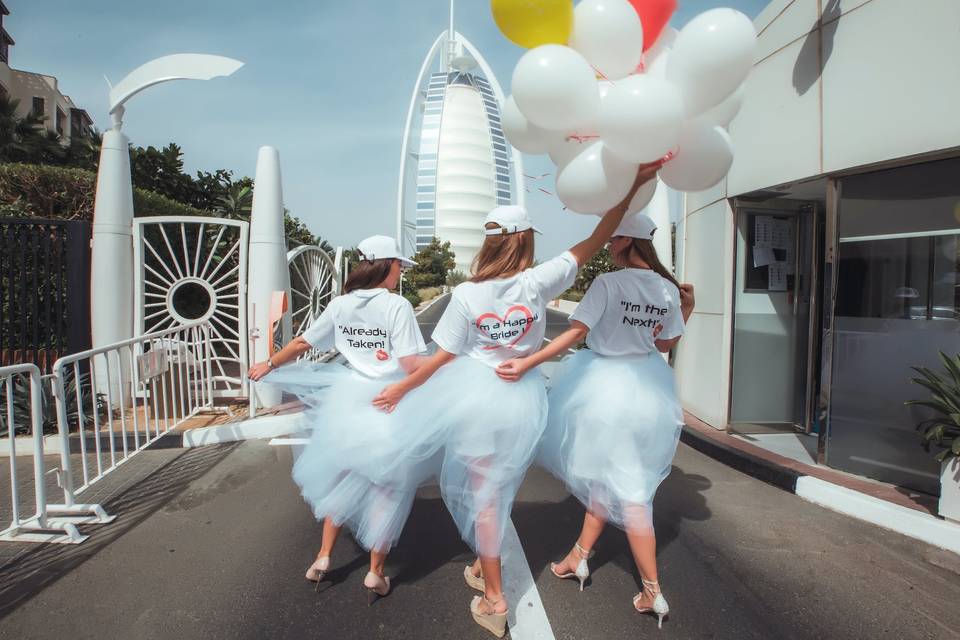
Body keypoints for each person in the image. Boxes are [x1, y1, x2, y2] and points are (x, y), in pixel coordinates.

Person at [372, 162, 662, 637]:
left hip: (476, 400)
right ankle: (486, 573)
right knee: (499, 494)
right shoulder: (538, 282)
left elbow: (442, 357)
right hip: (524, 401)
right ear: (524, 240)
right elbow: (599, 234)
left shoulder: (466, 296)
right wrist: (631, 185)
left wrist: (402, 388)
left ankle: (494, 595)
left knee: (484, 499)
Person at [495, 213, 695, 629]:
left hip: (605, 390)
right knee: (609, 477)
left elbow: (576, 332)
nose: (607, 244)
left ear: (626, 240)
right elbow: (664, 342)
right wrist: (687, 307)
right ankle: (578, 557)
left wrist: (529, 360)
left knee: (634, 495)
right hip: (649, 391)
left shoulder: (609, 284)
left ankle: (653, 591)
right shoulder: (667, 289)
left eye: (613, 238)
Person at [247, 234, 436, 604]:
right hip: (388, 402)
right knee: (387, 487)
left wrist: (267, 363)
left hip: (347, 400)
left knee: (342, 476)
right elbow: (413, 364)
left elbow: (304, 343)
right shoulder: (396, 306)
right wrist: (450, 361)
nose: (400, 272)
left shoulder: (340, 305)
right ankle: (375, 572)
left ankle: (323, 556)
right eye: (399, 265)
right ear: (386, 265)